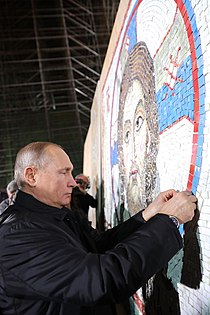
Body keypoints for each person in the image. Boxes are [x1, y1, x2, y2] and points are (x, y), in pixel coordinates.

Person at [0, 141, 197, 315]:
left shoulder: (52, 215)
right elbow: (102, 280)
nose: (72, 182)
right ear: (31, 175)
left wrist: (147, 215)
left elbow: (97, 245)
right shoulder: (16, 236)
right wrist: (169, 220)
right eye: (63, 172)